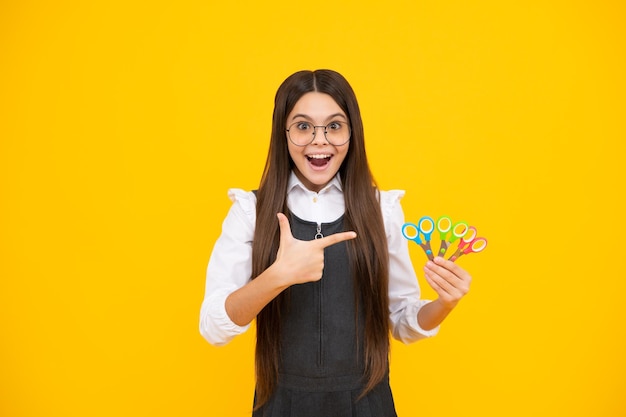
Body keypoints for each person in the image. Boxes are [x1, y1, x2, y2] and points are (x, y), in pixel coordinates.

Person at [199, 69, 472, 417]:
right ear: (282, 134)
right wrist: (278, 276)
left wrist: (445, 303)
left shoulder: (381, 209)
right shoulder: (249, 211)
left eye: (334, 126)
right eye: (302, 126)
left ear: (351, 133)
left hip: (366, 405)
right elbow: (213, 327)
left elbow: (403, 320)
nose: (319, 140)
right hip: (282, 406)